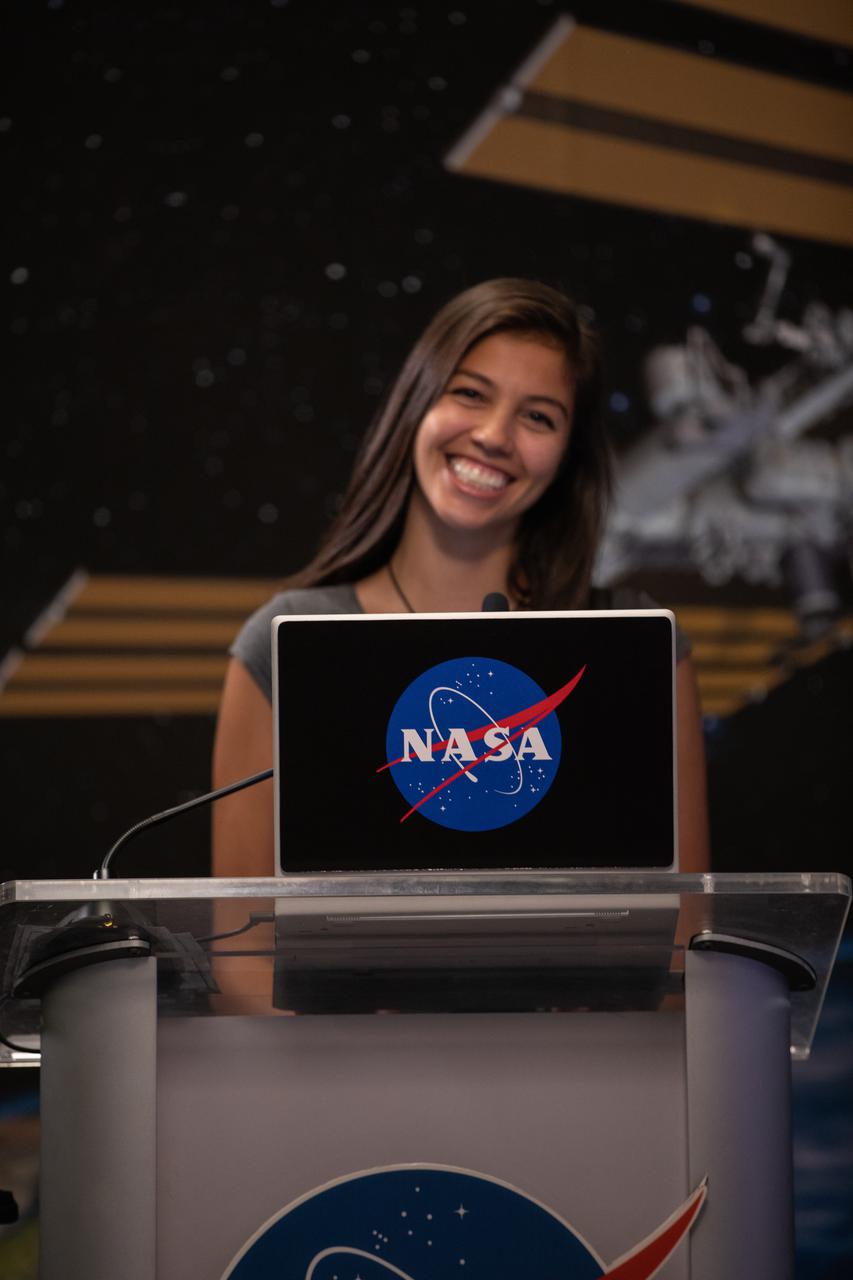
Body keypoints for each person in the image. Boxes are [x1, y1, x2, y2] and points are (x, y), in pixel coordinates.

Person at [212, 278, 710, 875]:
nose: (495, 436)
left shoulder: (637, 650)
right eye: (471, 393)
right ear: (416, 401)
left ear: (569, 456)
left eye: (538, 417)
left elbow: (685, 929)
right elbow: (241, 945)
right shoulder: (283, 641)